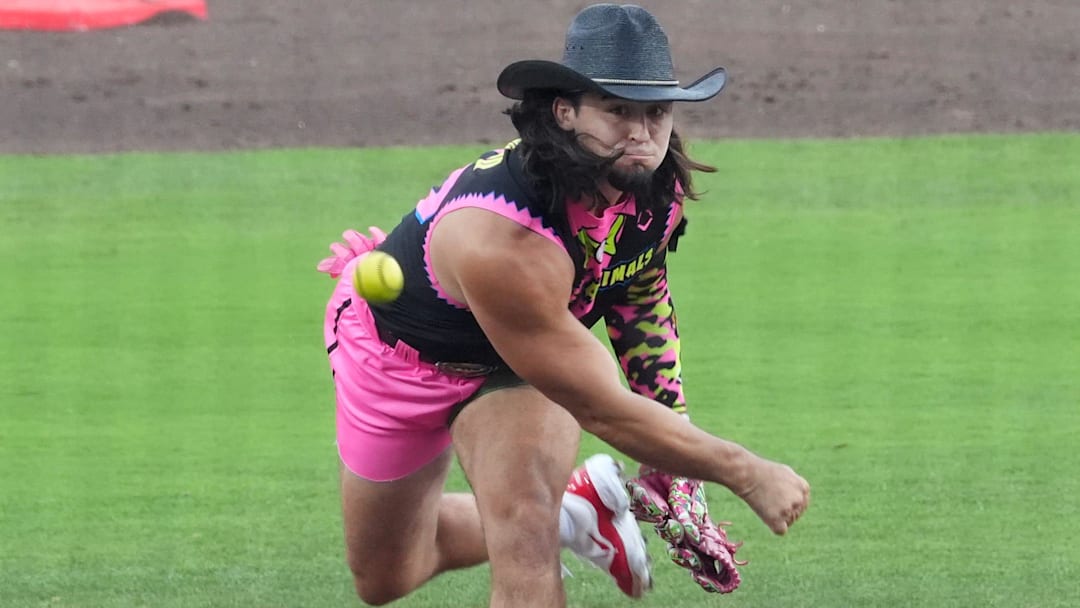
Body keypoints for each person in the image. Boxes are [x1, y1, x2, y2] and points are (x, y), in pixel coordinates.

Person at [317, 4, 810, 607]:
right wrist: (744, 470)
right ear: (565, 110)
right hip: (397, 362)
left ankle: (550, 512)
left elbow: (639, 295)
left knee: (522, 525)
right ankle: (577, 512)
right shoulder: (504, 238)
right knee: (388, 576)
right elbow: (603, 410)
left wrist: (672, 459)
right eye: (617, 109)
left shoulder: (656, 186)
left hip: (522, 365)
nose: (641, 133)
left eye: (656, 112)